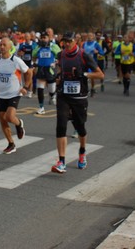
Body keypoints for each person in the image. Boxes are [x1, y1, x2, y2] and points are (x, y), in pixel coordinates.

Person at [51, 32, 104, 174]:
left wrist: (85, 75)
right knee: (61, 126)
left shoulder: (83, 55)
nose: (66, 44)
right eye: (64, 41)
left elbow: (100, 74)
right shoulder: (61, 55)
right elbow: (61, 69)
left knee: (80, 127)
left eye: (69, 41)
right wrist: (58, 76)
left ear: (76, 41)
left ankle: (82, 151)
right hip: (63, 95)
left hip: (79, 98)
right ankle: (61, 162)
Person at [0, 37, 31, 154]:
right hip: (2, 95)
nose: (2, 47)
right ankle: (11, 144)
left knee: (9, 117)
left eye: (4, 45)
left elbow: (29, 72)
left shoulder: (16, 61)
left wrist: (26, 87)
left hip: (15, 93)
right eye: (0, 45)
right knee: (3, 121)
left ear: (10, 47)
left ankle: (19, 123)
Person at [33, 32, 61, 114]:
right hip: (41, 69)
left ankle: (52, 96)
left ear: (49, 38)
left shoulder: (54, 46)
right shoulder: (38, 47)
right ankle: (41, 107)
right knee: (40, 88)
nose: (43, 39)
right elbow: (33, 56)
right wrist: (35, 63)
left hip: (50, 70)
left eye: (45, 37)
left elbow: (60, 56)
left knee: (51, 89)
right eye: (42, 37)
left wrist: (55, 62)